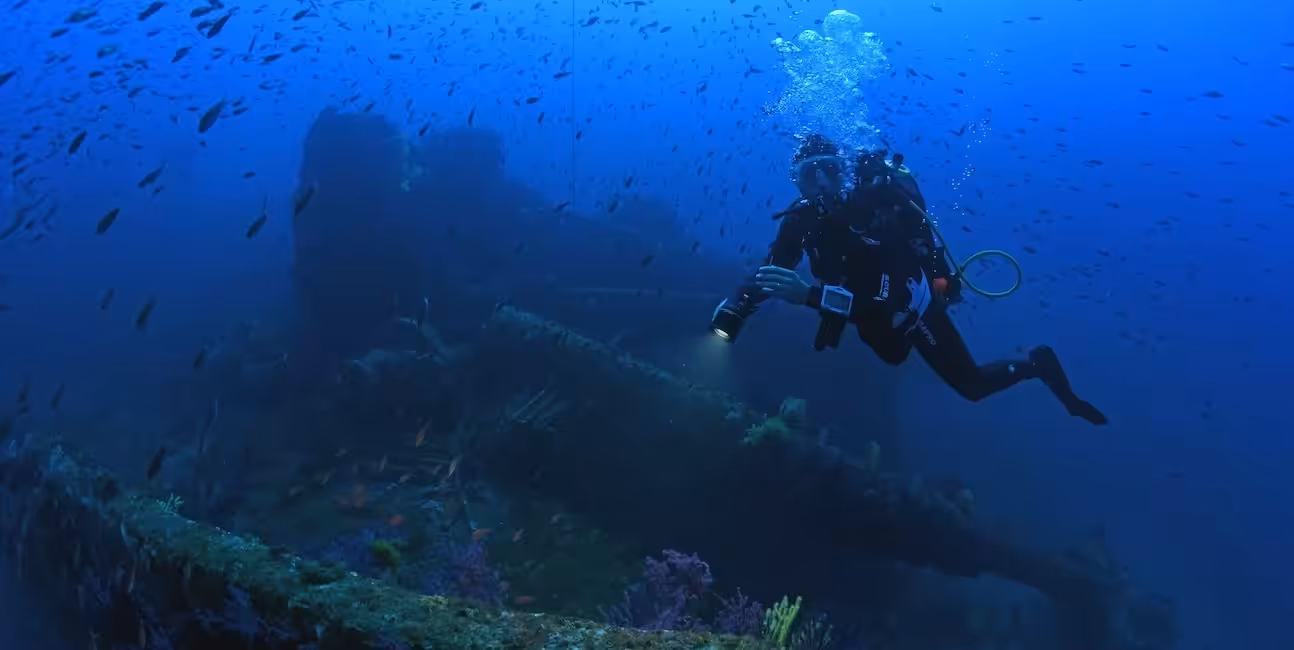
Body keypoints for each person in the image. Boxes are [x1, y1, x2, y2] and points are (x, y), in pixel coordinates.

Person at [711, 135, 1108, 426]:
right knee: (889, 352)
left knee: (971, 386)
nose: (820, 183)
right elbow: (771, 271)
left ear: (843, 173)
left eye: (829, 170)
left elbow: (879, 307)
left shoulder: (874, 210)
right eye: (808, 174)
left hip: (909, 305)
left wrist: (809, 296)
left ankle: (1036, 363)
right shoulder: (800, 220)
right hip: (864, 309)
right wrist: (737, 310)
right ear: (796, 182)